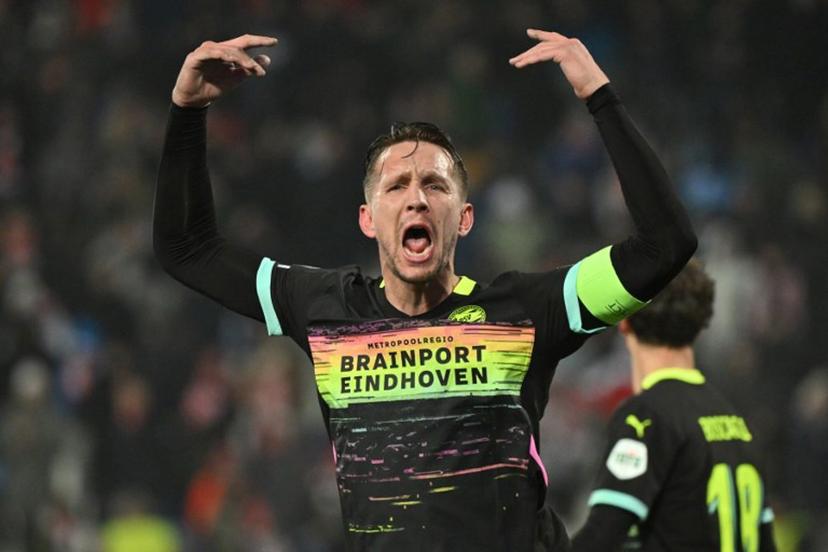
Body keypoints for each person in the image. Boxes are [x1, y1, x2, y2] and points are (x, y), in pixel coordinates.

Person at [154, 29, 696, 551]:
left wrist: (600, 97)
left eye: (434, 185)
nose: (416, 198)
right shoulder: (326, 309)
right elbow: (186, 248)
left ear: (464, 218)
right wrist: (187, 110)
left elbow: (665, 244)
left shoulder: (525, 313)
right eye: (397, 186)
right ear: (368, 219)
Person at [570, 260, 777, 551]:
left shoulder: (645, 418)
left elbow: (601, 536)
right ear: (700, 326)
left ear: (624, 322)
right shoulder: (738, 425)